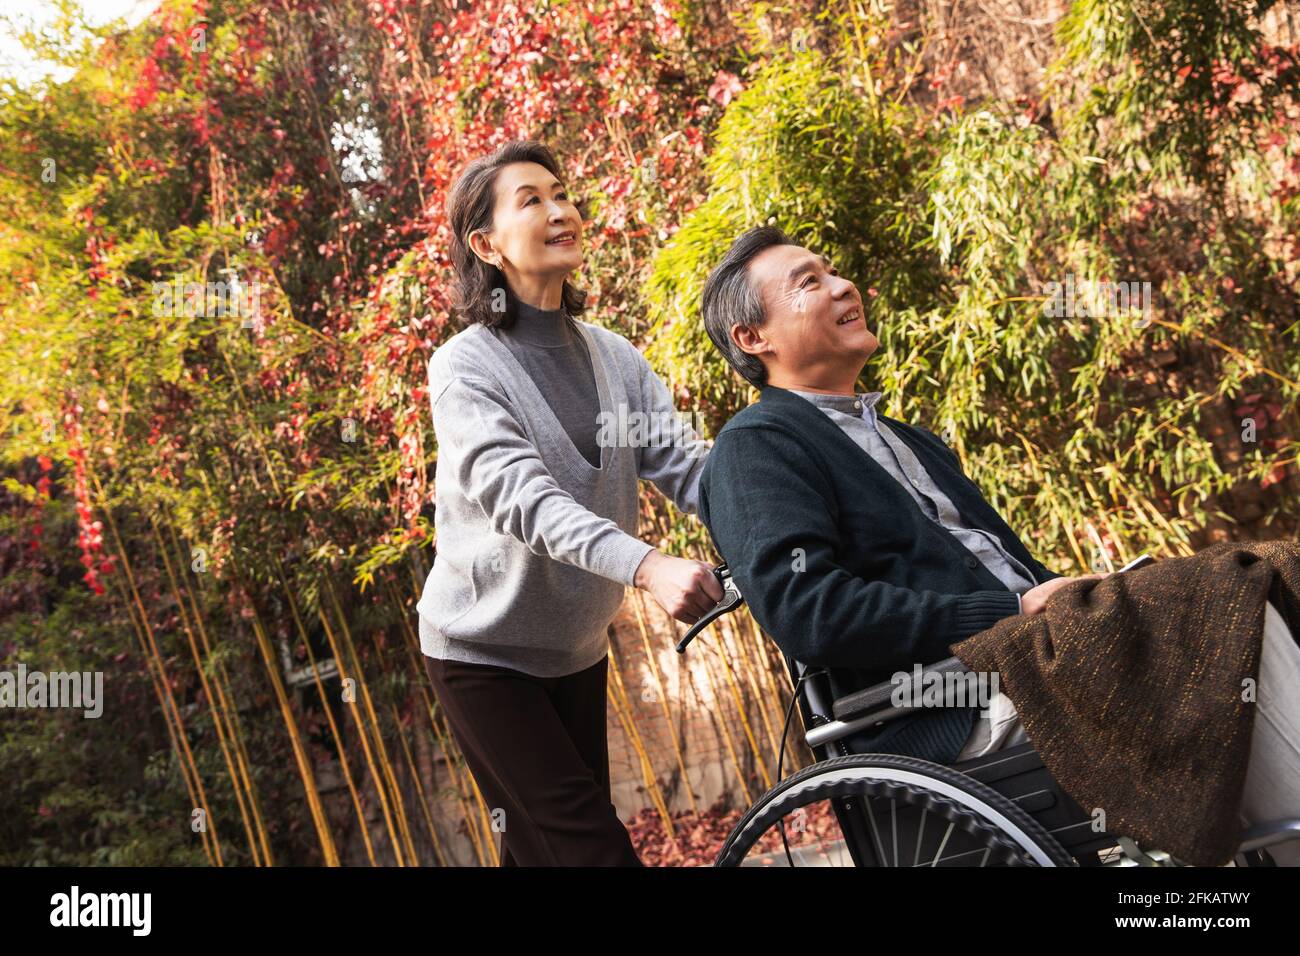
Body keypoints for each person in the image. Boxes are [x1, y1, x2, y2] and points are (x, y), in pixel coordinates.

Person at [695, 225, 1300, 863]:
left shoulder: (914, 441)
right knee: (1228, 615)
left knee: (1263, 576)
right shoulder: (757, 448)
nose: (844, 285)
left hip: (1034, 653)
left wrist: (1069, 604)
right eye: (808, 282)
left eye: (834, 270)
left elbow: (1020, 577)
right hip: (941, 704)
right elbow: (810, 613)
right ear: (752, 339)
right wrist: (1011, 614)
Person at [417, 140, 721, 866]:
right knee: (591, 850)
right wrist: (649, 567)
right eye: (532, 200)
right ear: (485, 244)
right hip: (483, 655)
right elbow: (526, 501)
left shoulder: (616, 357)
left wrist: (779, 518)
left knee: (542, 851)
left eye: (562, 193)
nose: (561, 211)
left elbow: (687, 468)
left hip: (575, 649)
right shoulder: (465, 369)